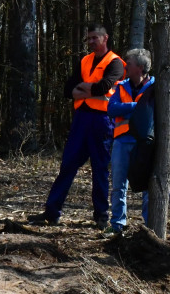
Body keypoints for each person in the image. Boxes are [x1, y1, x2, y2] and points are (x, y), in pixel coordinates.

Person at [31, 23, 125, 229]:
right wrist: (89, 90)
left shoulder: (116, 63)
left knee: (100, 168)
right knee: (68, 165)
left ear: (105, 38)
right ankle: (52, 212)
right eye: (88, 38)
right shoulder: (84, 60)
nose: (91, 42)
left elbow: (104, 86)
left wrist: (83, 88)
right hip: (81, 119)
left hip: (102, 121)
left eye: (95, 38)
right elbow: (67, 89)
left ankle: (101, 215)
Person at [105, 48, 154, 236]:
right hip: (122, 141)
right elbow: (111, 108)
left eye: (130, 63)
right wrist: (137, 106)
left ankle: (150, 228)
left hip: (145, 144)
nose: (125, 66)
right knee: (119, 186)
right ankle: (117, 225)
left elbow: (155, 111)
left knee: (148, 187)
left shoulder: (155, 86)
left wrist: (127, 108)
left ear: (140, 68)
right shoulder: (121, 86)